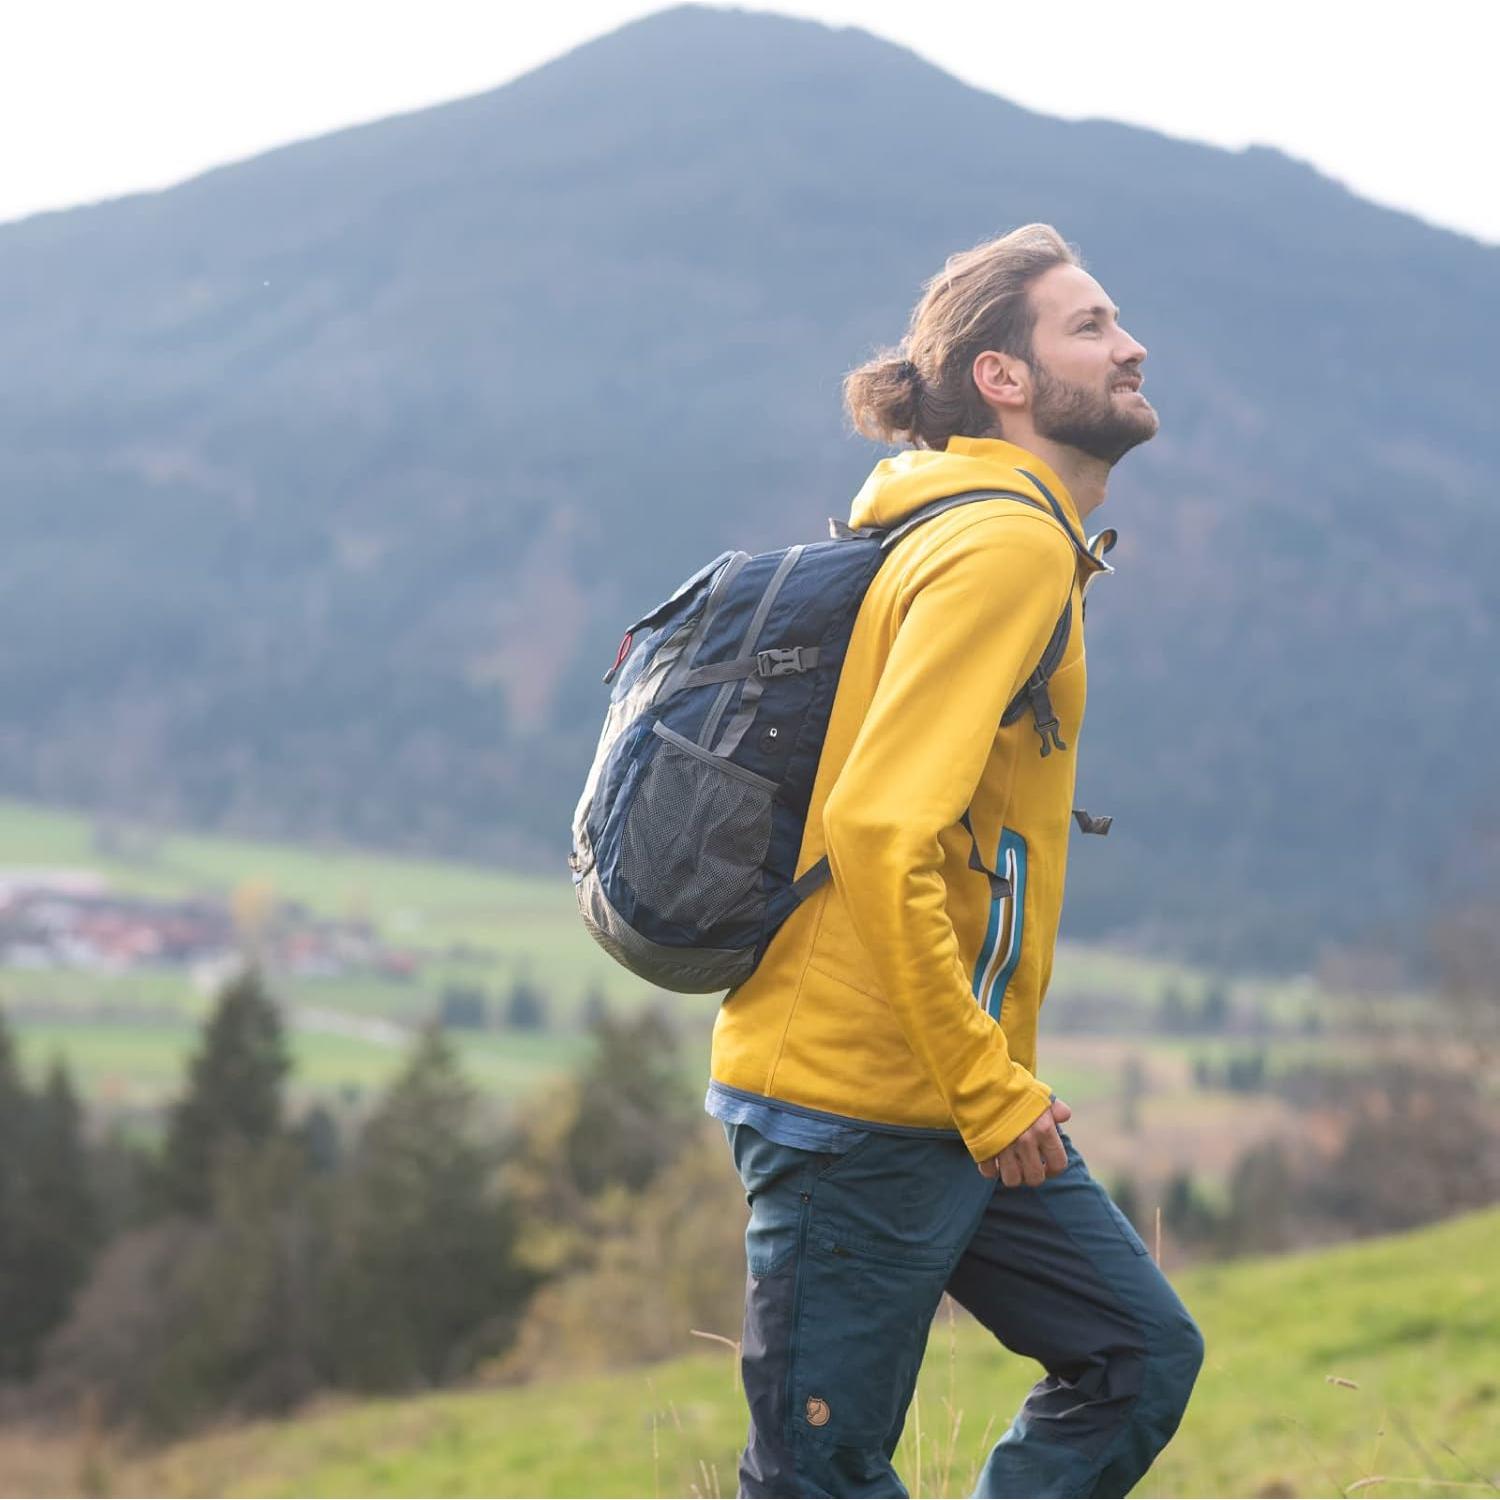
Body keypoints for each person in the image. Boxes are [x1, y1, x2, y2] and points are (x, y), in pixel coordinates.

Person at [705, 223, 1204, 1498]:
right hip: (860, 1099)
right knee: (820, 1474)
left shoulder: (990, 529)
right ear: (1004, 377)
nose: (1131, 343)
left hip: (944, 1091)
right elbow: (879, 826)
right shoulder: (1003, 546)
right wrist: (987, 1090)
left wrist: (982, 1090)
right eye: (1089, 326)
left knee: (1136, 1354)